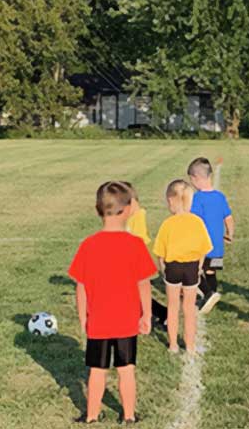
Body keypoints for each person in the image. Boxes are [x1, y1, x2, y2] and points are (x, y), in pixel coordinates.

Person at [67, 181, 156, 424]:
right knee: (126, 369)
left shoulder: (89, 245)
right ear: (128, 209)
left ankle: (92, 416)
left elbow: (81, 286)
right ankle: (128, 416)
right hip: (126, 321)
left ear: (98, 210)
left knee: (97, 370)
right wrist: (146, 314)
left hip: (98, 322)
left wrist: (83, 317)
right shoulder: (135, 245)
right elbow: (144, 283)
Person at [152, 180, 212, 354]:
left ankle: (173, 344)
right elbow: (203, 250)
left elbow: (160, 253)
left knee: (172, 307)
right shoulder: (197, 222)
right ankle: (191, 345)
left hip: (173, 268)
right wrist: (199, 268)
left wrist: (164, 271)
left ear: (171, 201)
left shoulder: (167, 224)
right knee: (189, 308)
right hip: (191, 268)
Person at [118, 180, 167, 332]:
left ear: (132, 203)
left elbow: (138, 242)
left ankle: (159, 314)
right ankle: (161, 313)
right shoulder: (131, 217)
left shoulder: (138, 216)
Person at [188, 157, 233, 314]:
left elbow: (194, 221)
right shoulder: (220, 197)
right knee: (210, 271)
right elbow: (228, 217)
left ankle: (209, 294)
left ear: (196, 178)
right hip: (217, 246)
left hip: (203, 245)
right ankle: (212, 297)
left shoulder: (197, 198)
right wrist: (230, 233)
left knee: (194, 270)